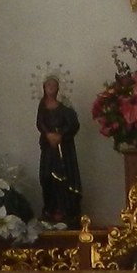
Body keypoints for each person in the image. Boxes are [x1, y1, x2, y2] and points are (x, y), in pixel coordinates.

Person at [36, 73, 83, 228]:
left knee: (62, 178)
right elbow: (40, 123)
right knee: (46, 176)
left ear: (58, 88)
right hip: (49, 148)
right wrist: (48, 135)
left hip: (63, 148)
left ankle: (63, 210)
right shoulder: (42, 106)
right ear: (44, 88)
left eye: (53, 86)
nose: (50, 88)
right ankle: (50, 208)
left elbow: (73, 124)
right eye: (48, 86)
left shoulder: (65, 108)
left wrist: (60, 135)